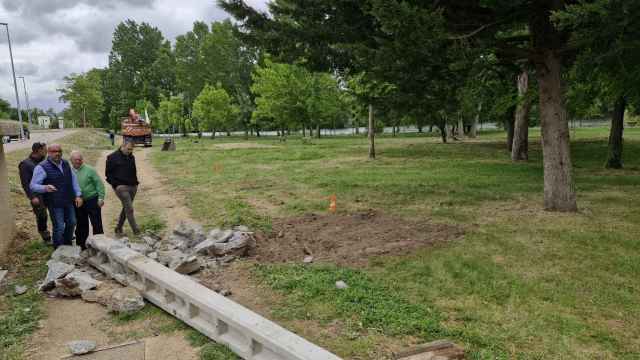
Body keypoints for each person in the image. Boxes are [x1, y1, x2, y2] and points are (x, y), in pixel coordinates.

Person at [30, 144, 83, 248]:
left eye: (59, 151)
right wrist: (45, 188)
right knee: (59, 227)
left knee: (72, 222)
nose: (57, 153)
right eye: (54, 151)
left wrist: (78, 195)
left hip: (68, 200)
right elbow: (33, 185)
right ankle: (58, 248)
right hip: (54, 202)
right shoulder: (41, 167)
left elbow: (73, 180)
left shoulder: (66, 163)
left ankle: (67, 244)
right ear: (49, 153)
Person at [70, 150, 105, 249]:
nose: (78, 161)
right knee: (81, 224)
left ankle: (100, 245)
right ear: (71, 160)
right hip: (78, 201)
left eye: (80, 159)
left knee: (96, 223)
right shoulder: (69, 171)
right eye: (76, 160)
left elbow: (99, 184)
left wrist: (101, 198)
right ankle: (81, 246)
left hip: (92, 199)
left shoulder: (90, 170)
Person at [18, 142, 51, 244]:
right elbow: (25, 183)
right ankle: (45, 237)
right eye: (45, 150)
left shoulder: (44, 162)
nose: (46, 152)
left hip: (47, 192)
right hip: (37, 195)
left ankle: (61, 233)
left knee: (55, 212)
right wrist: (32, 197)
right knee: (42, 215)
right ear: (39, 150)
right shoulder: (25, 164)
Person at [106, 140, 140, 236]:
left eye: (131, 149)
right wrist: (116, 185)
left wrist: (135, 184)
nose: (130, 151)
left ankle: (118, 227)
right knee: (129, 208)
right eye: (128, 149)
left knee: (126, 207)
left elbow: (134, 171)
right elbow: (108, 174)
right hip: (121, 188)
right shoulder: (112, 157)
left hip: (133, 187)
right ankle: (136, 231)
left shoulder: (131, 157)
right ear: (123, 146)